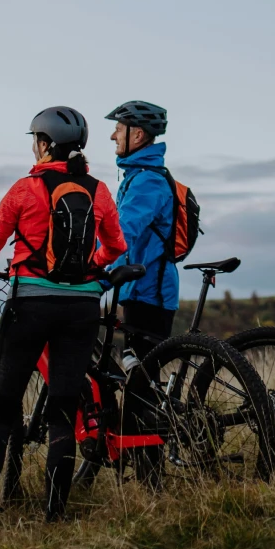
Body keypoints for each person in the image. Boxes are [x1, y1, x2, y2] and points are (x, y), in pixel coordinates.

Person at [0, 106, 126, 549]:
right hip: (81, 310)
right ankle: (54, 516)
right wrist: (89, 268)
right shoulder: (98, 191)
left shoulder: (26, 189)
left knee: (1, 410)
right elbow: (116, 245)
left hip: (30, 308)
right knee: (62, 410)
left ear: (43, 144)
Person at [106, 100, 178, 357]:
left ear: (137, 134)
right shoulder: (138, 176)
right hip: (139, 288)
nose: (113, 135)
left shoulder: (147, 180)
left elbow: (123, 232)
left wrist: (90, 265)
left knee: (141, 386)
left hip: (150, 293)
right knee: (134, 367)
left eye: (118, 129)